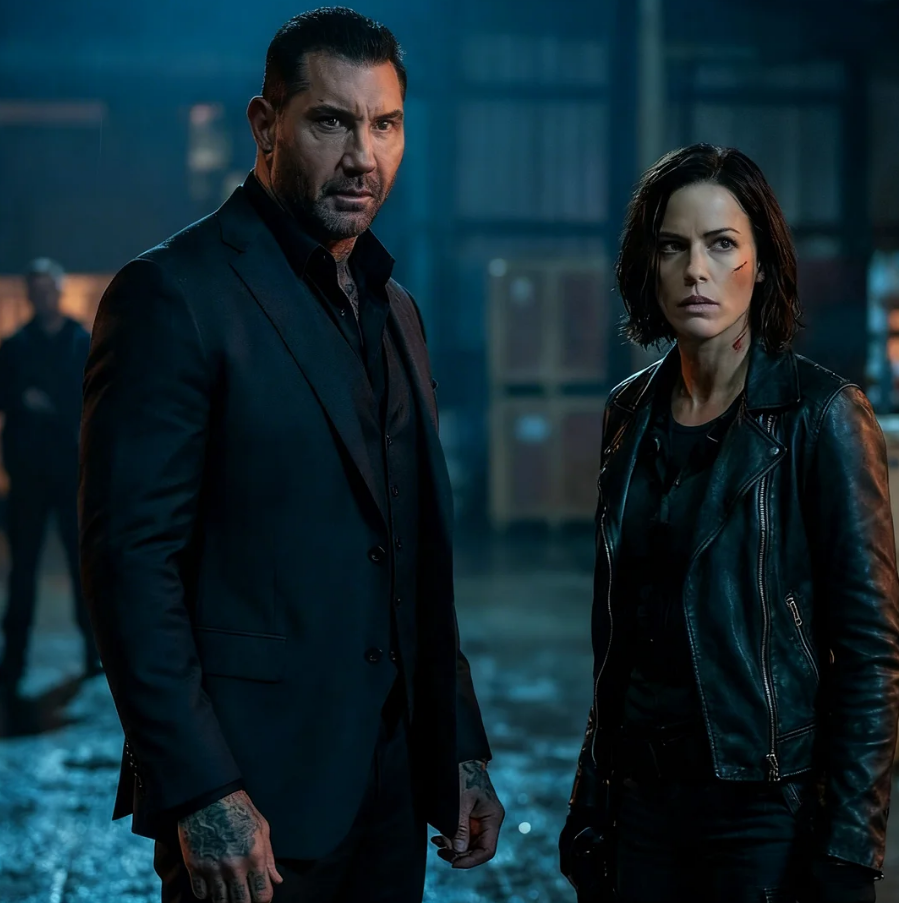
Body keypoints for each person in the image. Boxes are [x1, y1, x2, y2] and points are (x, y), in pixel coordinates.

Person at [79, 9, 503, 903]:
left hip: (391, 788)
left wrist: (458, 744)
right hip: (252, 795)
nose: (362, 156)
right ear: (265, 125)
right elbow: (130, 565)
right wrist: (200, 788)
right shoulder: (173, 295)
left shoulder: (398, 310)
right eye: (331, 122)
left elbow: (415, 555)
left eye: (385, 124)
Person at [559, 144, 899, 903]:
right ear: (647, 265)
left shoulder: (822, 417)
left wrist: (850, 844)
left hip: (760, 807)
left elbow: (871, 654)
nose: (695, 271)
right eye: (672, 246)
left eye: (720, 244)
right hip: (639, 803)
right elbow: (616, 636)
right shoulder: (628, 413)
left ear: (762, 263)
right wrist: (590, 792)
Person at [0, 257, 99, 695]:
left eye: (46, 290)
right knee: (24, 570)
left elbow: (90, 399)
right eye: (35, 291)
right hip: (28, 477)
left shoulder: (79, 342)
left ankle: (92, 652)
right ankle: (15, 658)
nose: (41, 297)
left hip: (69, 474)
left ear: (56, 292)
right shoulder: (17, 347)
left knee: (81, 567)